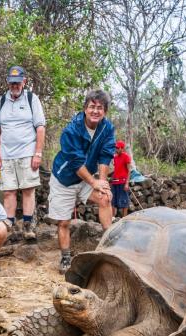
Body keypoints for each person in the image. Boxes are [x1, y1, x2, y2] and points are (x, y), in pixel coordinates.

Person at [47, 90, 116, 273]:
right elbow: (76, 163)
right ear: (85, 108)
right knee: (64, 222)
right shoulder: (71, 130)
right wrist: (94, 183)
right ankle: (65, 257)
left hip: (88, 177)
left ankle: (109, 246)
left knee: (105, 198)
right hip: (65, 178)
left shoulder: (107, 128)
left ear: (105, 111)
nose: (95, 111)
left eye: (100, 108)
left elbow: (106, 155)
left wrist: (102, 183)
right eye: (92, 107)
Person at [0, 66, 46, 243]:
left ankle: (28, 226)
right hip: (6, 154)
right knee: (8, 192)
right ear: (8, 82)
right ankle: (10, 225)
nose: (14, 85)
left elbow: (40, 127)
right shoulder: (1, 101)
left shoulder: (32, 99)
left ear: (24, 81)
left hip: (27, 152)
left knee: (28, 190)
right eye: (11, 82)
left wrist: (37, 153)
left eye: (17, 82)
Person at [110, 140, 133, 218]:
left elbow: (129, 170)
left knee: (124, 201)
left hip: (122, 182)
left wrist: (127, 183)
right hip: (115, 182)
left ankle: (124, 218)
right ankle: (113, 217)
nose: (116, 149)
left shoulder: (126, 157)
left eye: (118, 148)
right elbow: (116, 169)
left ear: (122, 149)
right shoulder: (115, 158)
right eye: (115, 148)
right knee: (113, 201)